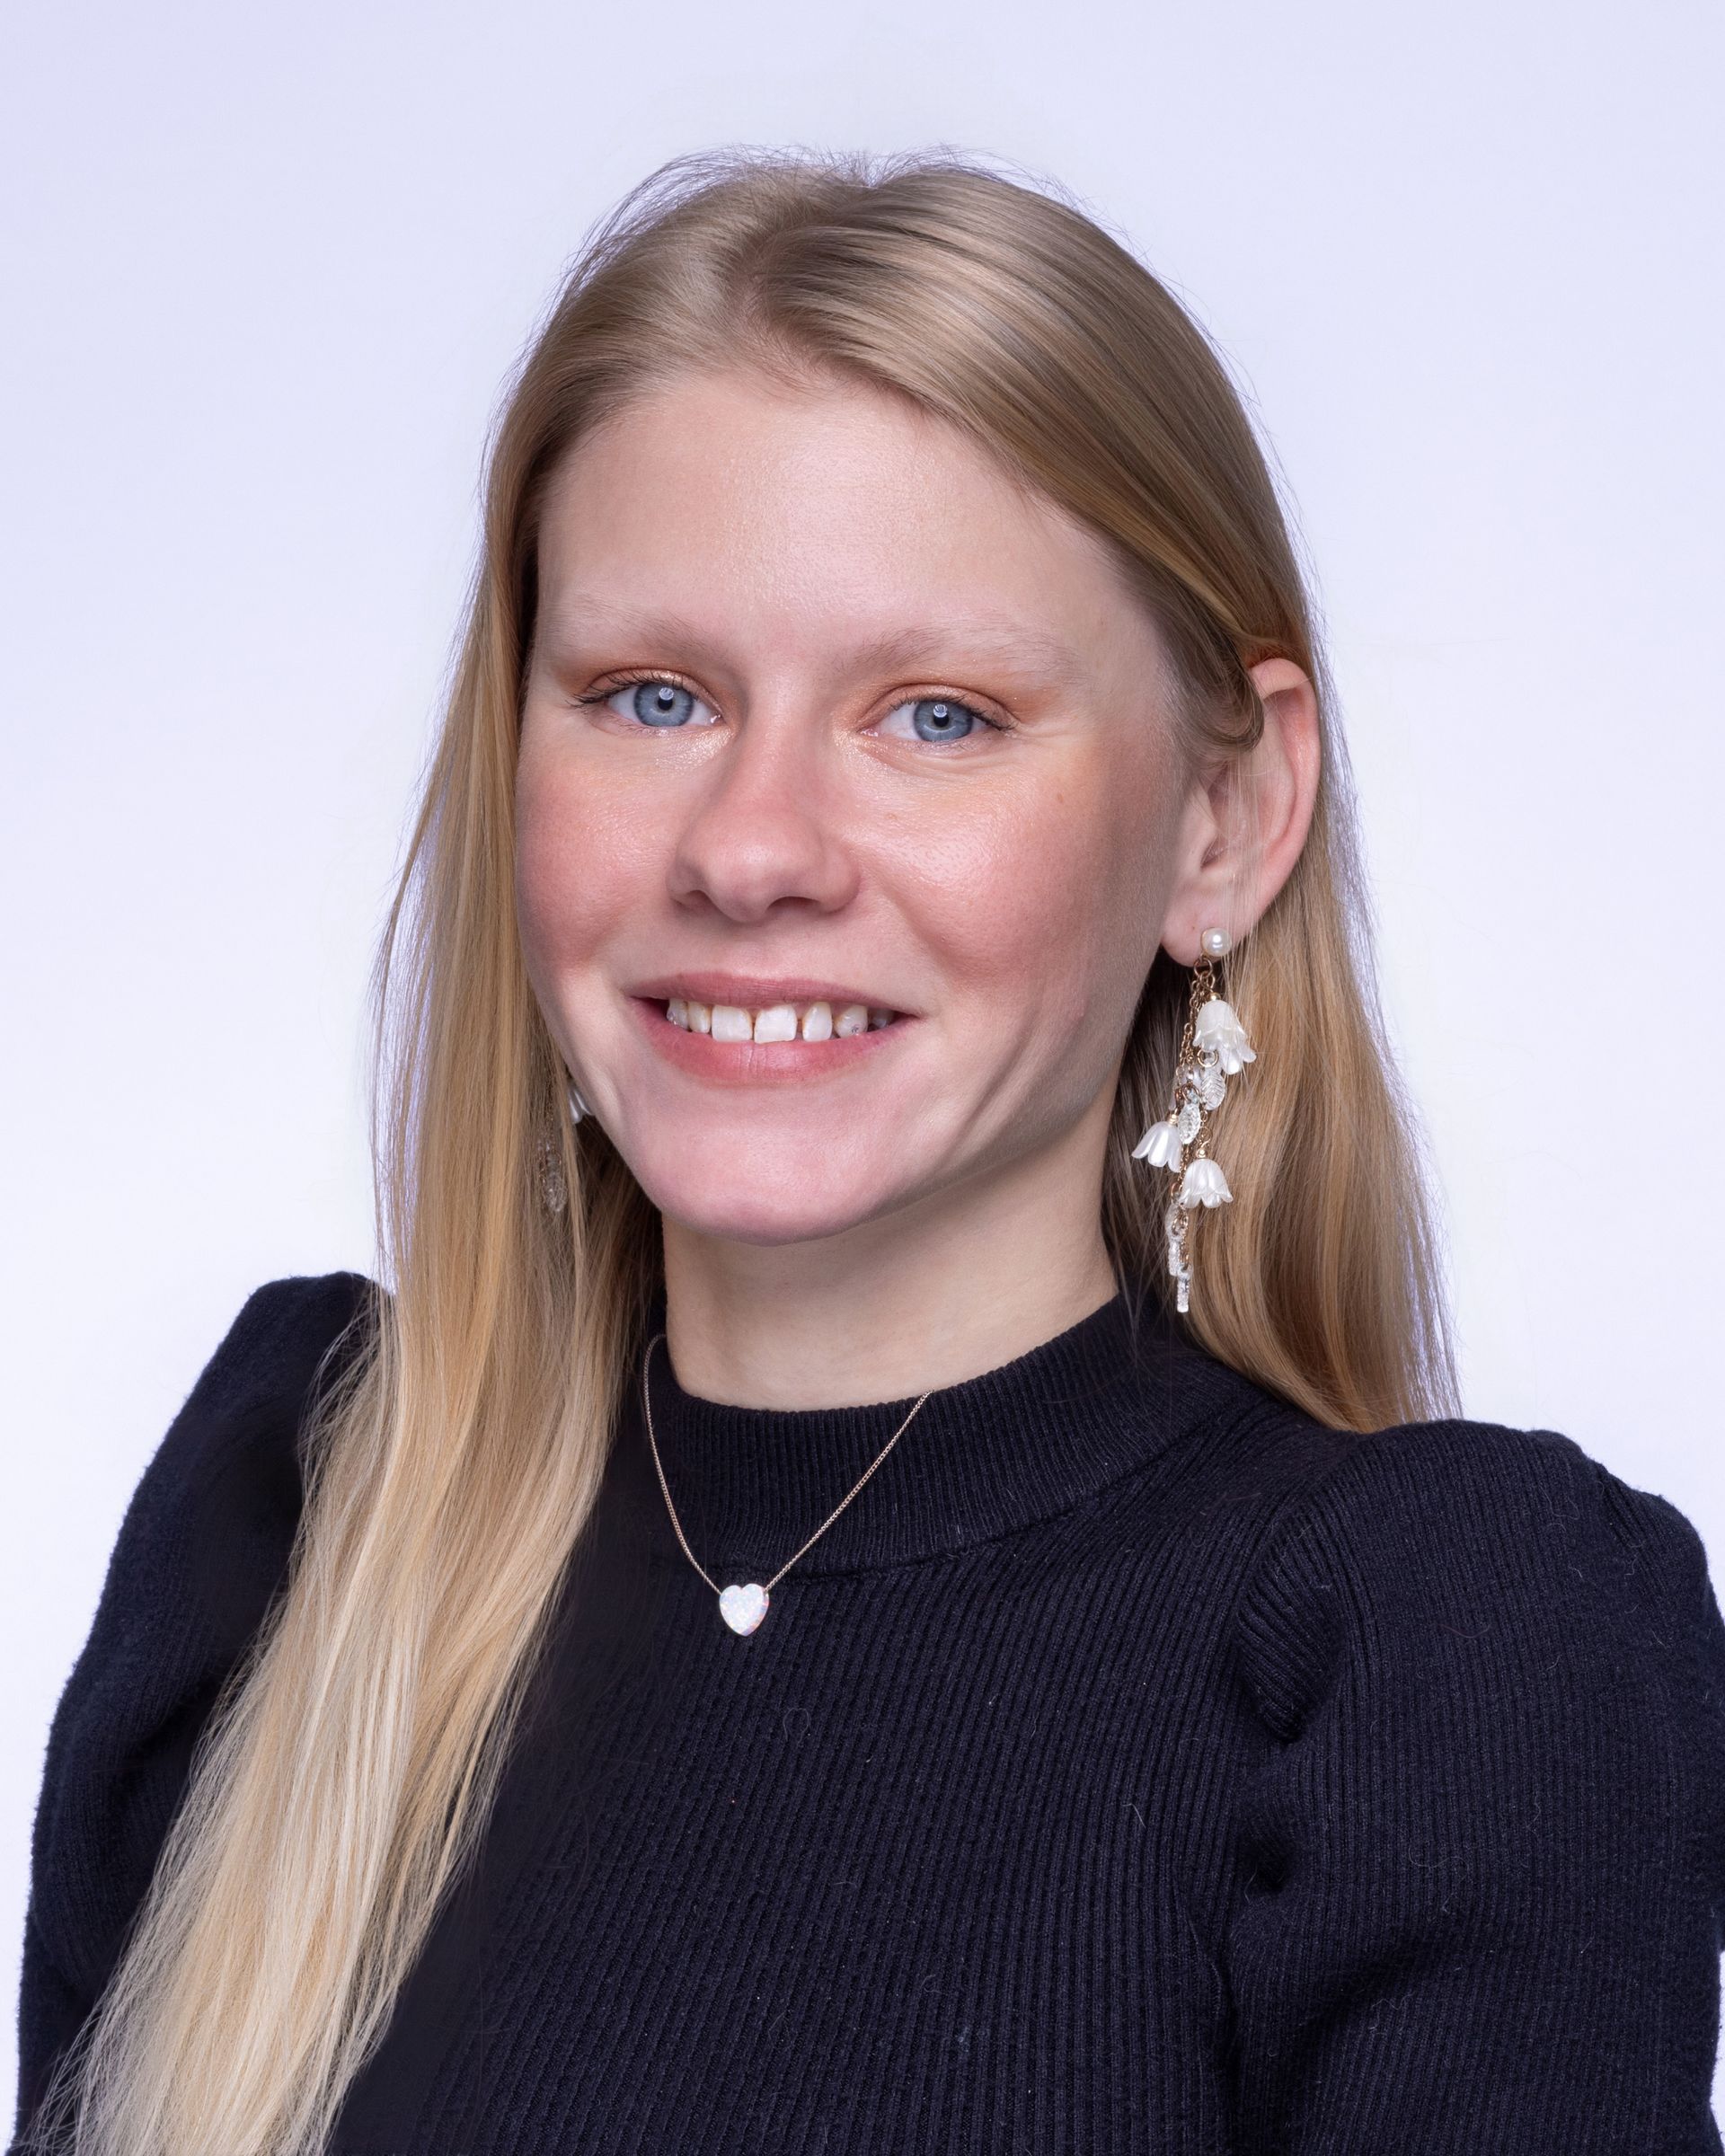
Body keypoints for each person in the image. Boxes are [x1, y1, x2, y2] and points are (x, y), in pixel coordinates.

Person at [12, 146, 1725, 2156]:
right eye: (653, 696)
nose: (751, 851)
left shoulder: (1439, 1659)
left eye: (937, 717)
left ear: (1226, 823)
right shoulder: (296, 1536)